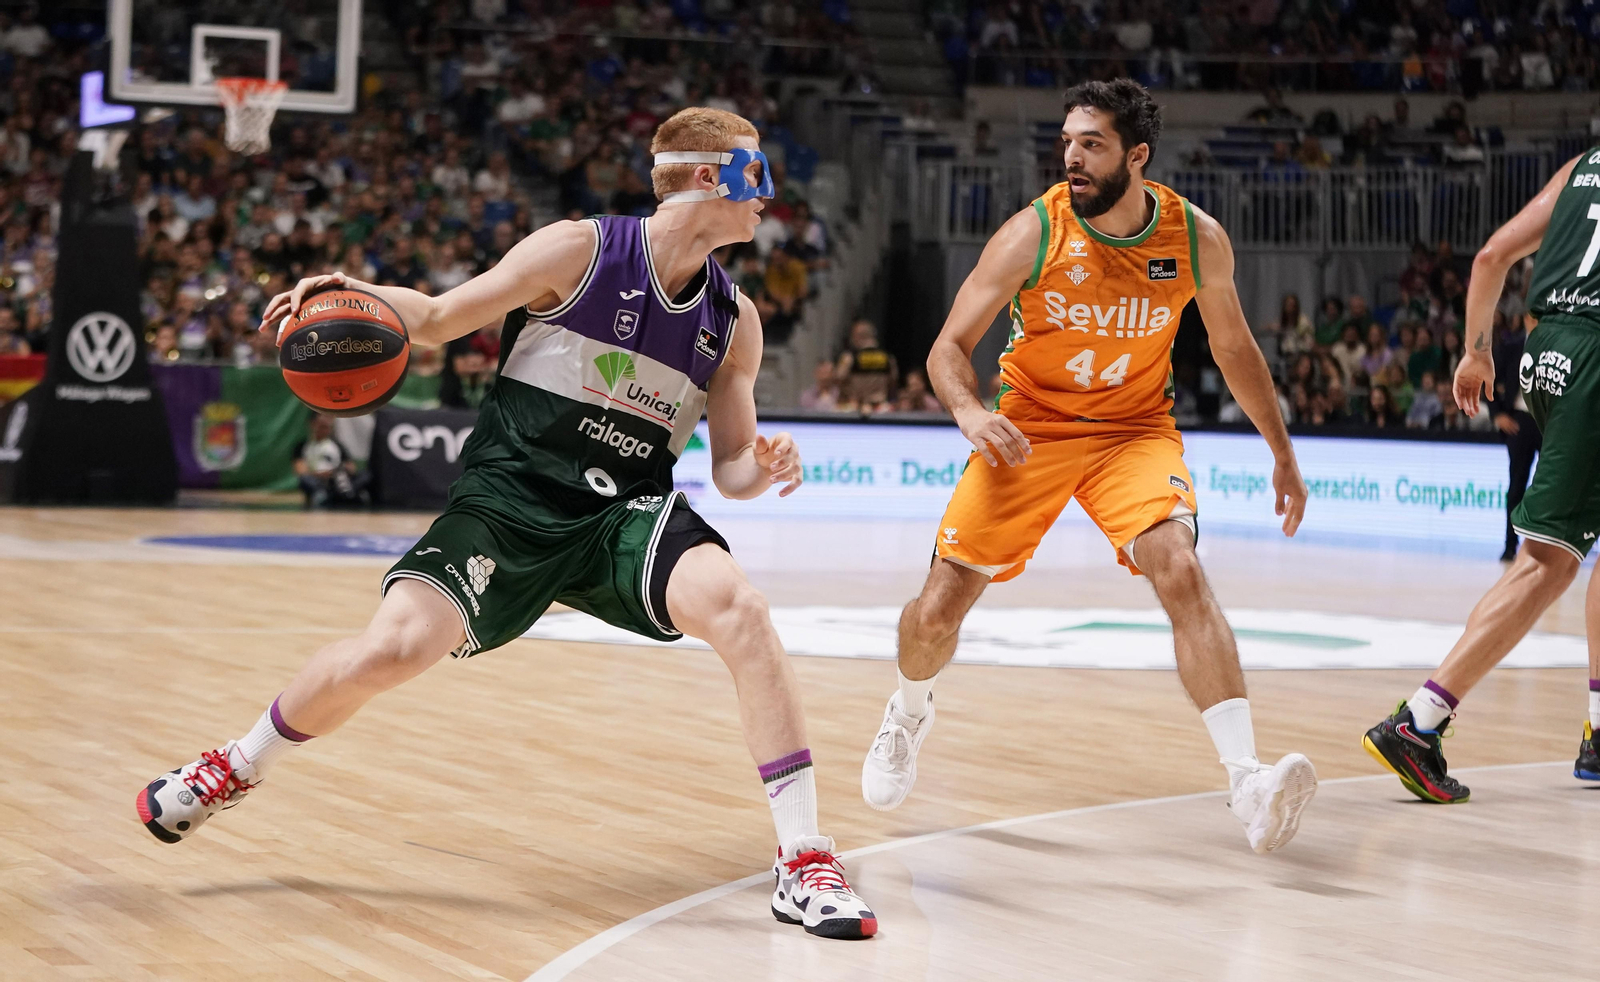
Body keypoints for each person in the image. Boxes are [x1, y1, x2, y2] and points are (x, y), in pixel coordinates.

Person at [135, 107, 877, 941]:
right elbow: (437, 319)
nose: (769, 198)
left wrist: (762, 469)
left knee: (741, 612)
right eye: (757, 175)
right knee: (392, 650)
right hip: (511, 496)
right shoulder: (580, 251)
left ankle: (805, 856)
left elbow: (732, 467)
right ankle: (232, 766)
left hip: (623, 510)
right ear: (711, 177)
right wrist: (354, 292)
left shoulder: (734, 320)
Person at [859, 79, 1316, 854]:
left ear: (1136, 155)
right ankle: (907, 711)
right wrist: (972, 413)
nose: (1071, 156)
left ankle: (1248, 783)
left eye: (1092, 143)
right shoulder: (1032, 233)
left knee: (1181, 568)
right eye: (1068, 141)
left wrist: (1282, 451)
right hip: (1029, 430)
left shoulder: (1194, 237)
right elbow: (946, 347)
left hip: (1134, 432)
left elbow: (1236, 350)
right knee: (936, 612)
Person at [1363, 147, 1600, 805]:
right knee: (1547, 562)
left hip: (1545, 350)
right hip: (1596, 361)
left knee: (1565, 552)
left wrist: (1475, 354)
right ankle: (1418, 722)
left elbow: (1492, 256)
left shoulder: (1583, 165)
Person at [1487, 311, 1540, 562]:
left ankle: (1544, 547)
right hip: (1519, 421)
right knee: (1517, 484)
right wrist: (1497, 414)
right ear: (1527, 318)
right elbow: (1488, 381)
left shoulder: (1559, 348)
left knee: (1549, 487)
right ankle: (1510, 544)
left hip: (1550, 422)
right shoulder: (1510, 347)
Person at [293, 414, 369, 508]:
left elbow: (351, 468)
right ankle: (323, 495)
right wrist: (321, 474)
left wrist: (338, 471)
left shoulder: (337, 445)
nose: (326, 430)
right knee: (305, 480)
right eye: (322, 426)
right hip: (319, 481)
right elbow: (302, 471)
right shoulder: (302, 447)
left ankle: (349, 493)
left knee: (365, 475)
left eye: (328, 427)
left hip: (337, 479)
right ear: (313, 424)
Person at [834, 319, 898, 412]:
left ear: (858, 336)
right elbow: (893, 382)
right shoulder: (888, 358)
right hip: (880, 408)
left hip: (856, 408)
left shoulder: (850, 358)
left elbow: (838, 379)